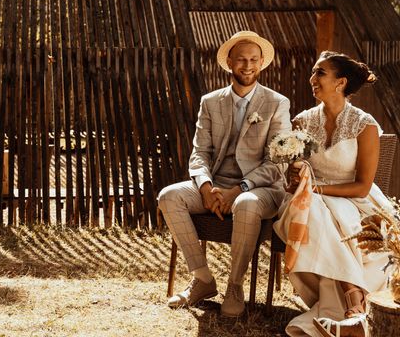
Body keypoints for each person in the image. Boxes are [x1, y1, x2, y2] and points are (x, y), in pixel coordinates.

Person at [157, 31, 291, 317]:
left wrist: (239, 189)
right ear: (229, 62)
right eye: (241, 59)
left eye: (253, 59)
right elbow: (199, 152)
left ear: (262, 62)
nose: (247, 65)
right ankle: (203, 279)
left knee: (246, 203)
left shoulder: (277, 103)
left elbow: (276, 163)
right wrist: (205, 187)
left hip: (261, 188)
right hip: (217, 183)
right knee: (169, 196)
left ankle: (235, 286)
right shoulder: (210, 101)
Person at [274, 51, 392, 337]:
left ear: (340, 83)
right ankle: (354, 303)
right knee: (311, 208)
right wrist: (294, 175)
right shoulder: (302, 122)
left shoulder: (365, 125)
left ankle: (345, 312)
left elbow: (363, 185)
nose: (312, 79)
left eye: (320, 73)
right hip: (306, 201)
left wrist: (317, 189)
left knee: (327, 215)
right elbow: (295, 170)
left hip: (354, 199)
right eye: (314, 73)